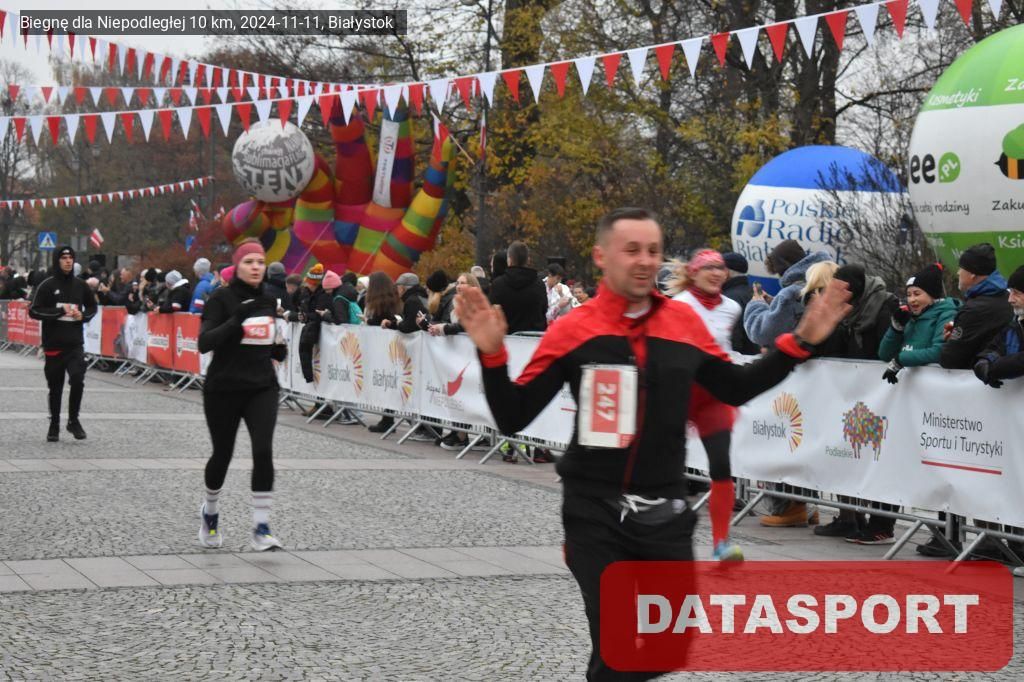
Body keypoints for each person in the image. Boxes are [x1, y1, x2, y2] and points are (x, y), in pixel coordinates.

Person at [455, 207, 849, 681]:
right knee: (618, 650)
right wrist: (492, 354)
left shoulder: (683, 324)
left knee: (669, 648)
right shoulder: (575, 329)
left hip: (664, 512)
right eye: (632, 250)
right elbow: (513, 415)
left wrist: (800, 341)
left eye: (653, 251)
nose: (644, 261)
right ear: (602, 256)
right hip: (595, 514)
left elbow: (735, 387)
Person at [197, 239, 288, 552]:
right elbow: (205, 343)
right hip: (224, 387)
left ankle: (261, 528)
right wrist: (237, 320)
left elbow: (270, 343)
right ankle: (210, 512)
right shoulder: (220, 299)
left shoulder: (268, 300)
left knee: (263, 451)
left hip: (262, 386)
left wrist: (278, 347)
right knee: (222, 454)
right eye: (249, 262)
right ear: (237, 266)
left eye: (260, 262)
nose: (256, 267)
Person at [666, 249, 745, 562]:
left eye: (720, 268)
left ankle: (721, 543)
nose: (716, 273)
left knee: (721, 465)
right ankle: (657, 532)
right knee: (667, 463)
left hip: (714, 395)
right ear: (693, 273)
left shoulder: (732, 308)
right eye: (708, 267)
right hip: (680, 391)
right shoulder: (678, 304)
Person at [28, 245, 98, 442]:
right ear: (57, 260)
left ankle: (73, 421)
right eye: (64, 258)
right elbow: (34, 311)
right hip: (54, 344)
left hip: (74, 344)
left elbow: (92, 307)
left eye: (70, 258)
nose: (68, 261)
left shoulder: (81, 285)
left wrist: (82, 315)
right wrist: (59, 311)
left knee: (77, 379)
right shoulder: (47, 285)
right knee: (55, 387)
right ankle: (54, 424)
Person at [879, 263, 958, 382]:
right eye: (908, 295)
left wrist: (901, 359)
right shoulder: (909, 317)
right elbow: (885, 355)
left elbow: (939, 352)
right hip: (907, 387)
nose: (911, 300)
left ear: (932, 295)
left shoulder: (946, 314)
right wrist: (896, 329)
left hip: (934, 384)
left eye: (917, 294)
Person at [940, 243, 1013, 369]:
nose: (958, 273)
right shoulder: (1009, 297)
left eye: (961, 268)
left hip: (980, 377)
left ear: (972, 274)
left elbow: (950, 359)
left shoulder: (974, 309)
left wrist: (951, 340)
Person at [364, 272, 403, 433]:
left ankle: (388, 419)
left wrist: (369, 321)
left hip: (388, 347)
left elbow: (382, 320)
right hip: (392, 347)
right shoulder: (394, 300)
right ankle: (387, 418)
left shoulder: (382, 304)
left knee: (389, 382)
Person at [974, 264, 1024, 388]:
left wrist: (995, 369)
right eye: (1010, 292)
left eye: (1016, 293)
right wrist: (984, 363)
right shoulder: (1015, 324)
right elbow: (996, 347)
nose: (1010, 299)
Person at [488, 242, 547, 333]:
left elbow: (492, 313)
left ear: (509, 260)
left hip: (506, 337)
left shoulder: (498, 284)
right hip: (533, 338)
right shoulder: (539, 284)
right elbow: (544, 310)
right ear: (528, 260)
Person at [720, 252, 760, 355]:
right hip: (759, 358)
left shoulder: (727, 298)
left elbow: (733, 340)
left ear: (726, 272)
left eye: (718, 268)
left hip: (740, 359)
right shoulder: (756, 292)